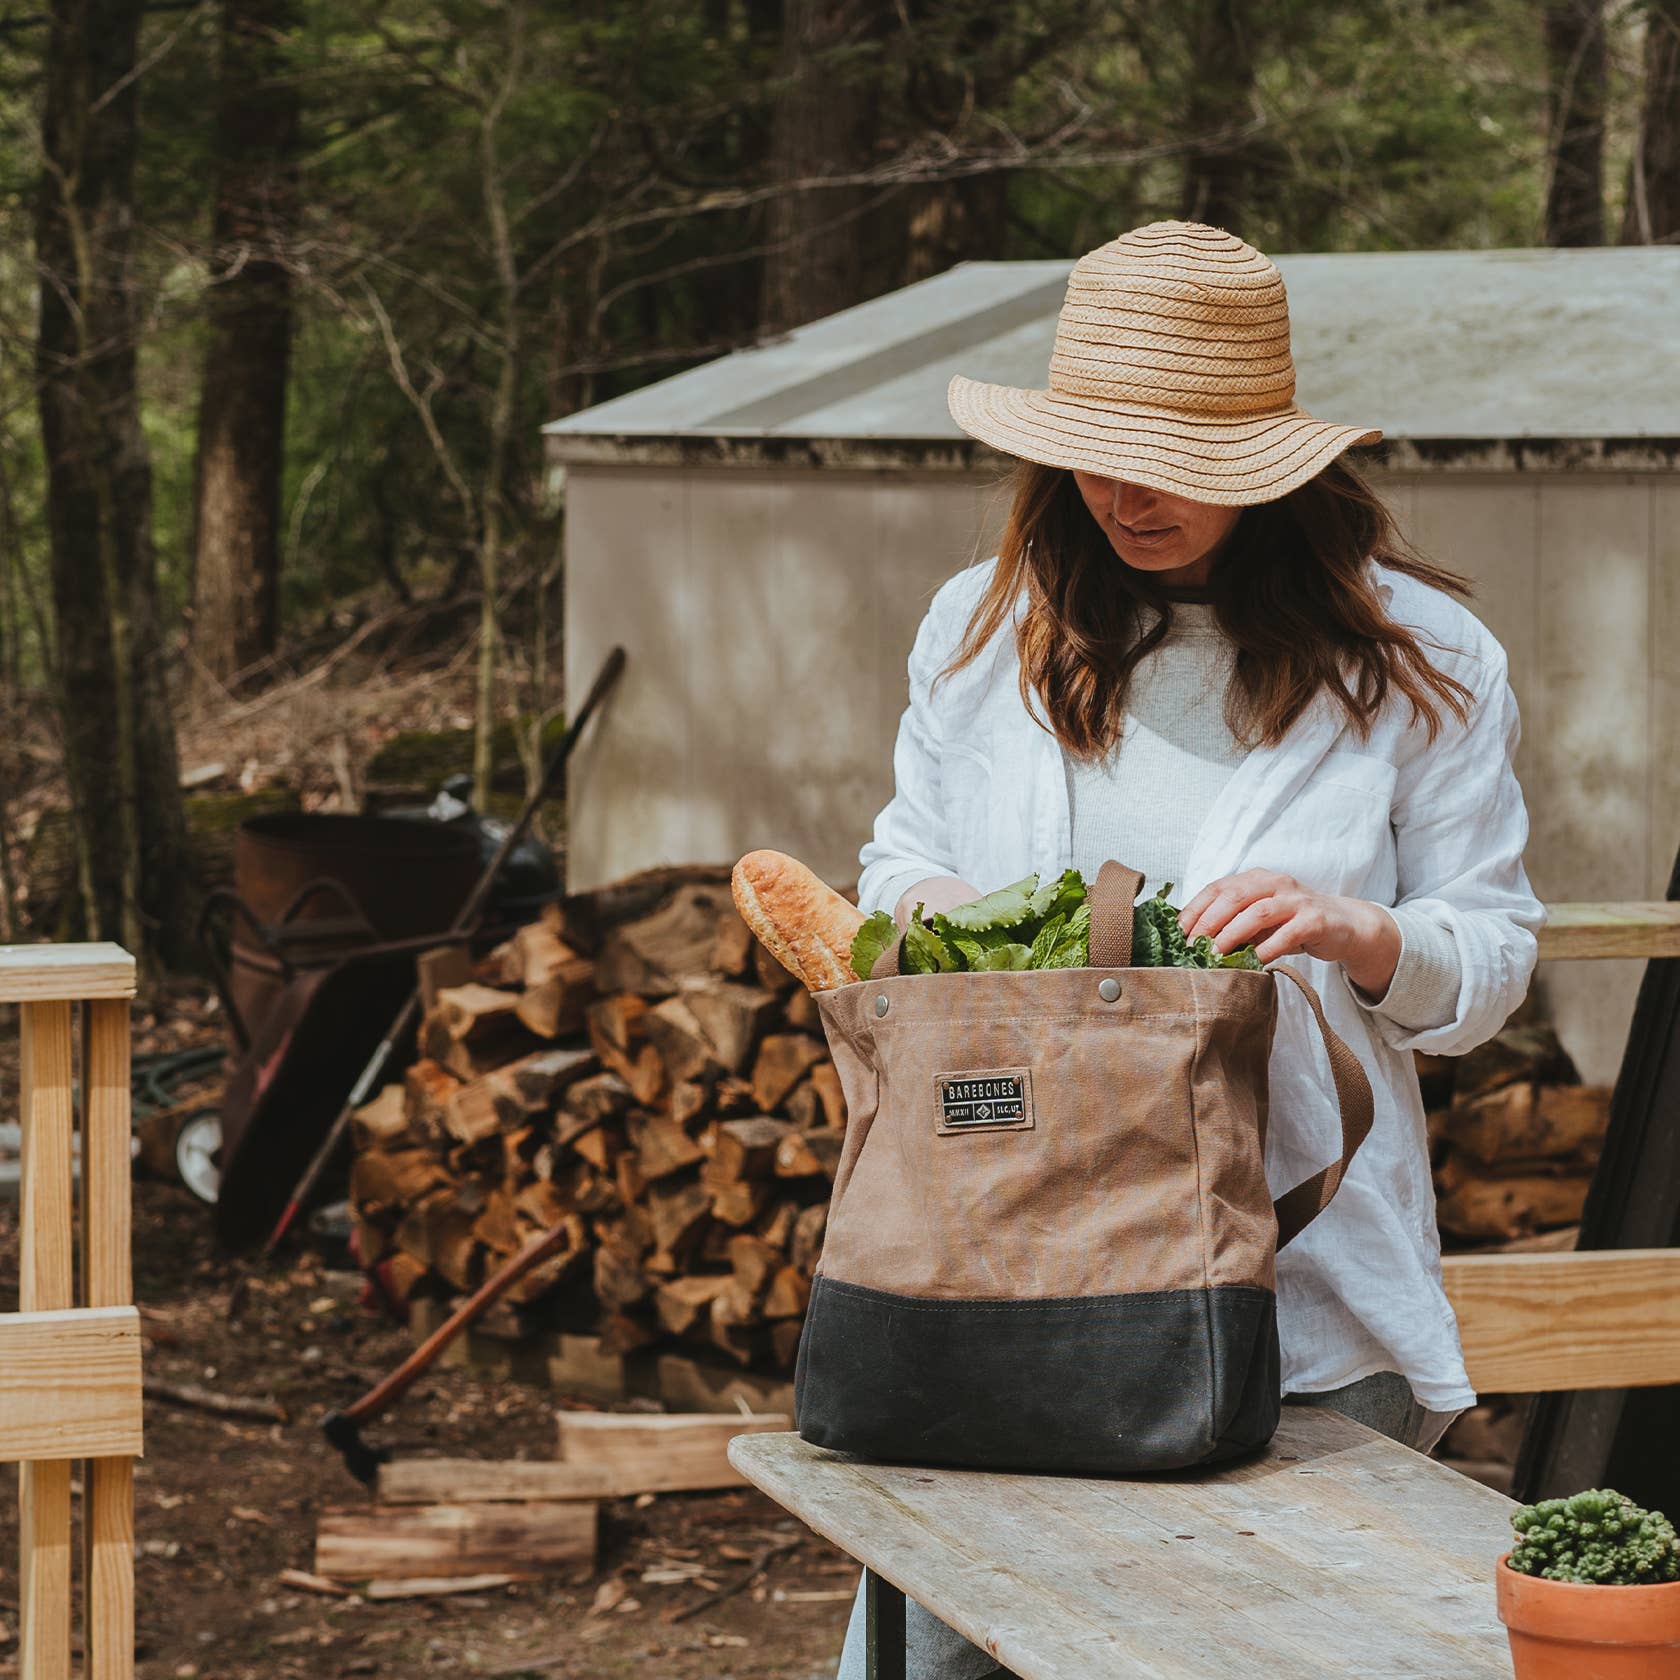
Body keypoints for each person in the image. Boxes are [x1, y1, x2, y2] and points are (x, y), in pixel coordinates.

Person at [832, 221, 1543, 1680]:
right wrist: (957, 924)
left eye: (1167, 455)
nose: (1120, 490)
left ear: (1272, 462)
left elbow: (1492, 956)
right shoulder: (983, 633)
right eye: (1089, 448)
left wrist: (1364, 935)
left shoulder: (1425, 660)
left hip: (1300, 1305)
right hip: (1003, 1278)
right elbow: (899, 864)